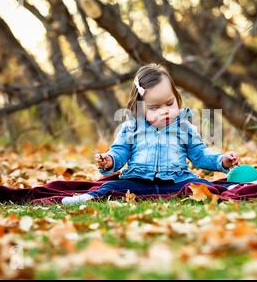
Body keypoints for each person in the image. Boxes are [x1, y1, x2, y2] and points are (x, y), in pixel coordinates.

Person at [62, 64, 239, 205]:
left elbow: (200, 155)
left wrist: (221, 160)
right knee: (110, 186)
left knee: (205, 186)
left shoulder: (185, 129)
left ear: (176, 98)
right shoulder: (131, 129)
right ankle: (88, 198)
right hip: (138, 181)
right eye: (154, 108)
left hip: (176, 181)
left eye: (170, 103)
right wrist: (109, 160)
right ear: (140, 108)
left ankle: (237, 189)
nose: (165, 112)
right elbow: (120, 152)